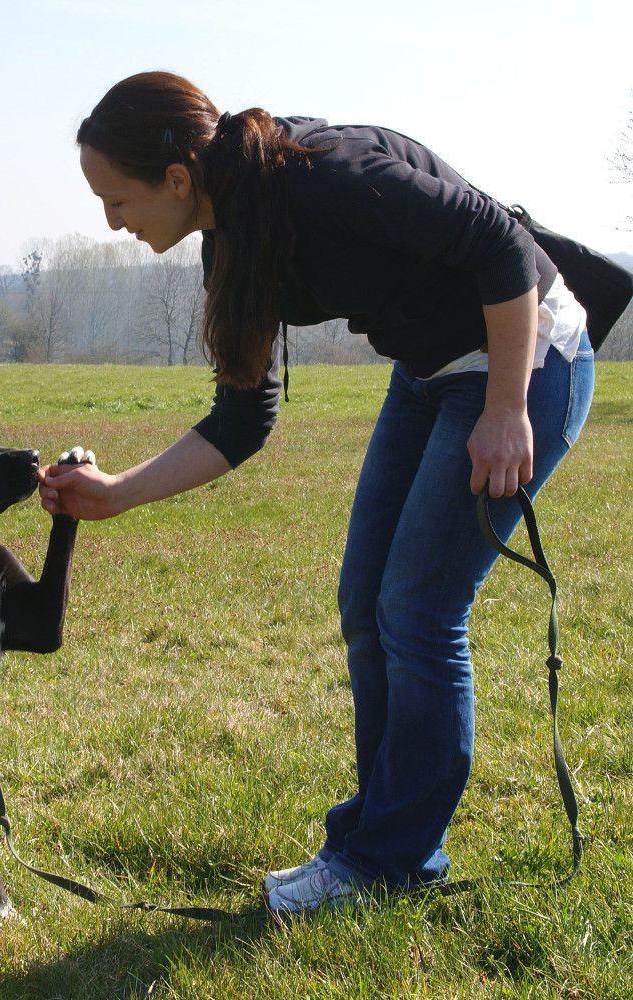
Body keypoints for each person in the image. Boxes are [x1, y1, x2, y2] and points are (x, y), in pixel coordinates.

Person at [37, 71, 595, 915]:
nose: (112, 221)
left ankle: (388, 862)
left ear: (178, 179)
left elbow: (504, 249)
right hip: (431, 373)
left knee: (417, 609)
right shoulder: (233, 243)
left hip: (530, 359)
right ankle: (380, 845)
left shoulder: (326, 174)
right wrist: (115, 493)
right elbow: (240, 421)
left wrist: (508, 407)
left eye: (116, 200)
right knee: (365, 601)